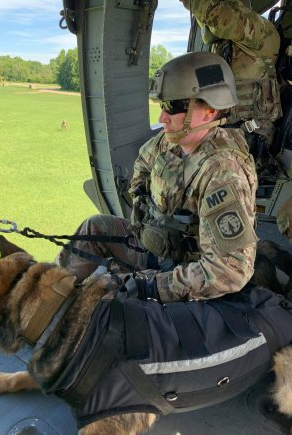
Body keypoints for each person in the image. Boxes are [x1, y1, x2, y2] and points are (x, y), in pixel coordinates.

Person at [56, 51, 258, 303]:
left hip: (183, 269)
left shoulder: (223, 171)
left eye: (173, 107)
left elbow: (230, 271)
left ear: (209, 110)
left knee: (105, 296)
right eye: (163, 106)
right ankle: (48, 293)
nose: (162, 117)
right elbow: (142, 170)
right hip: (154, 245)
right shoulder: (169, 141)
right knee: (93, 227)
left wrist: (150, 286)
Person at [179, 0, 282, 164]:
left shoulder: (261, 31)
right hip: (222, 132)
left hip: (252, 137)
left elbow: (220, 16)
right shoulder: (220, 47)